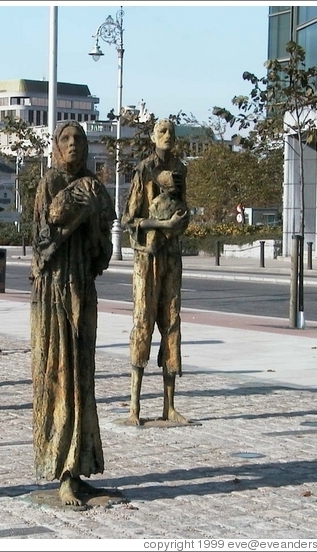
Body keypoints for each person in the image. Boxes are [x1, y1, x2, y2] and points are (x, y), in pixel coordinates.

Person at [30, 121, 115, 507]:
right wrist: (70, 216)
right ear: (56, 146)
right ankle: (62, 471)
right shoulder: (49, 182)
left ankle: (80, 467)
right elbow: (42, 236)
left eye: (79, 139)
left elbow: (103, 249)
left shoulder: (96, 187)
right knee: (58, 372)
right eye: (66, 139)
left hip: (82, 284)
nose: (74, 145)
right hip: (54, 289)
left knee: (83, 375)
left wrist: (97, 235)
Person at [120, 118, 191, 427]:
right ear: (153, 136)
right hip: (147, 258)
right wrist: (161, 226)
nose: (167, 137)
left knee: (172, 322)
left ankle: (169, 405)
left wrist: (178, 222)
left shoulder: (180, 170)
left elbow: (183, 209)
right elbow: (128, 219)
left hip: (172, 256)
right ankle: (134, 406)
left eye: (171, 133)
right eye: (162, 132)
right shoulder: (144, 170)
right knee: (143, 322)